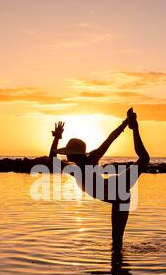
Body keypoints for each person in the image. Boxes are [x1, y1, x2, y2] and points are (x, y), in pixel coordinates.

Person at [49, 108, 150, 252]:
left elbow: (110, 139)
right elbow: (52, 159)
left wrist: (124, 124)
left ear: (73, 155)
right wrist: (57, 138)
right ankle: (117, 269)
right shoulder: (75, 169)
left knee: (145, 159)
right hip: (118, 194)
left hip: (117, 186)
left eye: (68, 153)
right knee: (116, 243)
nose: (65, 156)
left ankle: (134, 128)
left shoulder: (89, 161)